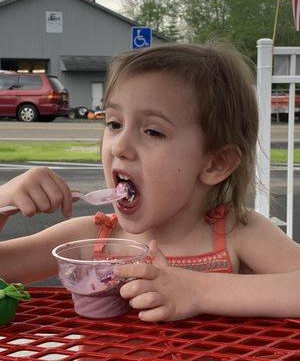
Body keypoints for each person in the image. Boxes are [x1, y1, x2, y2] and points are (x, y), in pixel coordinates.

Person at [1, 42, 300, 323]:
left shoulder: (238, 234)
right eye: (114, 124)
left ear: (215, 163)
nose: (119, 146)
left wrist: (196, 291)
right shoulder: (90, 240)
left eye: (153, 132)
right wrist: (2, 202)